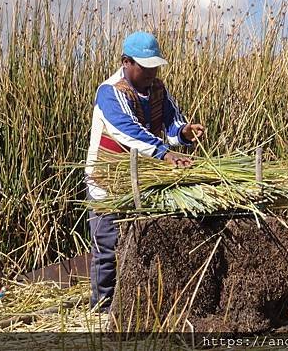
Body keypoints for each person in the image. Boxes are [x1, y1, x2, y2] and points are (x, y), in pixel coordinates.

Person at [85, 31, 205, 311]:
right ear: (126, 62)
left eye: (155, 66)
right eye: (145, 66)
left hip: (145, 178)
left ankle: (135, 305)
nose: (151, 71)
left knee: (142, 243)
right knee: (108, 247)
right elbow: (128, 132)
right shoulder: (110, 92)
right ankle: (102, 307)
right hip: (109, 179)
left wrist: (185, 133)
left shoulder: (157, 90)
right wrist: (164, 153)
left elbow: (172, 123)